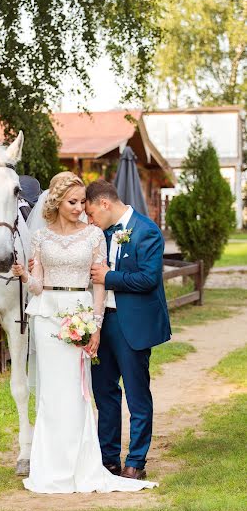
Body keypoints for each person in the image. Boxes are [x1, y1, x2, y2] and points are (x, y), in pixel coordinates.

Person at [12, 172, 157, 493]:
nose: (80, 209)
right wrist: (24, 274)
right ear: (57, 202)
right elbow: (37, 286)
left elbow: (104, 281)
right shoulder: (41, 238)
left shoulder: (95, 236)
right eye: (74, 202)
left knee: (80, 392)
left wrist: (95, 324)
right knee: (54, 391)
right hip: (47, 314)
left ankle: (101, 461)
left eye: (83, 203)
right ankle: (53, 464)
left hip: (81, 310)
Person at [86, 180, 171, 480]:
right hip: (100, 324)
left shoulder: (146, 231)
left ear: (105, 204)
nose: (90, 219)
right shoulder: (98, 235)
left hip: (131, 324)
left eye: (92, 212)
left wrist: (110, 277)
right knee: (104, 392)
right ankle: (108, 459)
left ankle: (136, 461)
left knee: (136, 394)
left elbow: (148, 279)